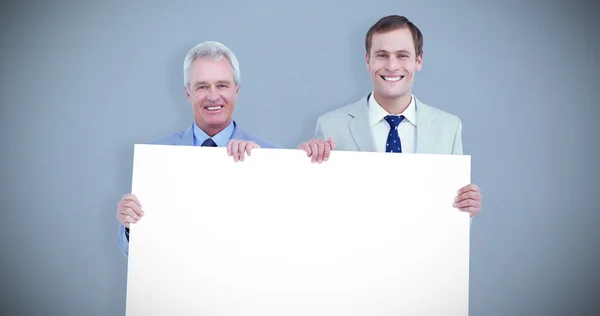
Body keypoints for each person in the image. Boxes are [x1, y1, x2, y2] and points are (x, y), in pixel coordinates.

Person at [298, 15, 482, 217]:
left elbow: (454, 218)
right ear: (368, 60)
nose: (392, 66)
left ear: (418, 60)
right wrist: (301, 166)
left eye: (402, 55)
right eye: (382, 55)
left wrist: (467, 211)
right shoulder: (331, 126)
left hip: (424, 247)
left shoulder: (449, 127)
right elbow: (315, 206)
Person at [116, 41, 280, 256]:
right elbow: (131, 249)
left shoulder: (273, 156)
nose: (213, 96)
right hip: (176, 285)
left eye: (222, 85)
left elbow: (281, 240)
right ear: (188, 93)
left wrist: (261, 169)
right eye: (202, 86)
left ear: (236, 90)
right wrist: (130, 224)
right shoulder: (155, 156)